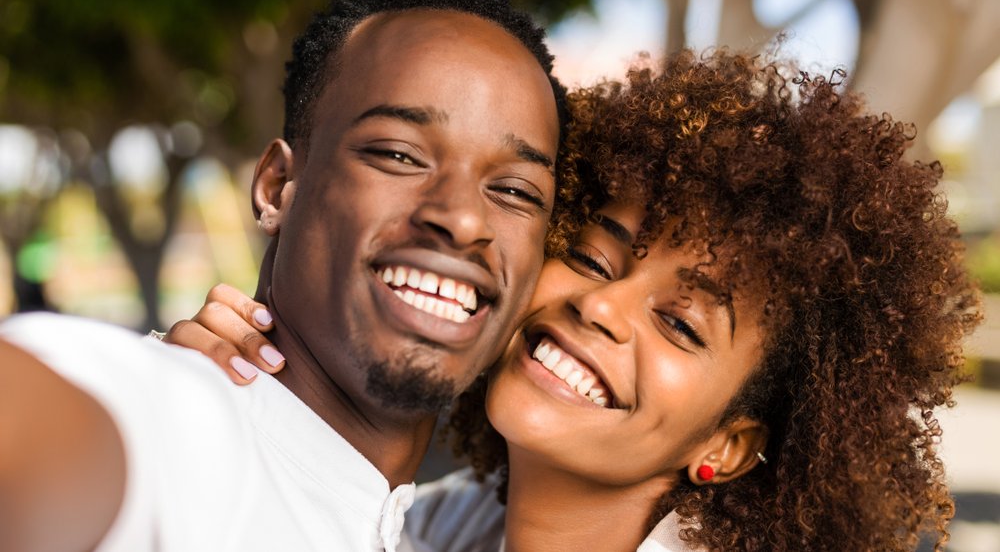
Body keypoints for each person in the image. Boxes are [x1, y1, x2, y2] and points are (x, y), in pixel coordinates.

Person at [176, 50, 982, 551]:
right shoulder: (441, 525)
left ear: (729, 445)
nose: (601, 308)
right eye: (593, 259)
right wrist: (224, 415)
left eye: (679, 324)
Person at [0, 0, 570, 551]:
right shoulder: (175, 425)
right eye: (398, 154)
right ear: (276, 189)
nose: (465, 218)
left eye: (516, 190)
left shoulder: (442, 530)